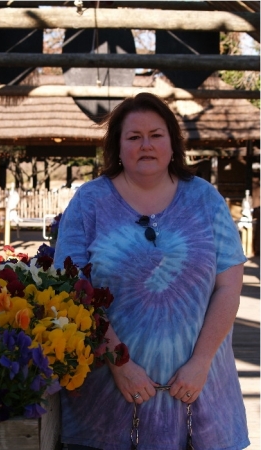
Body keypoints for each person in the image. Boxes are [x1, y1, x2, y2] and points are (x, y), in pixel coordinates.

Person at [54, 93, 249, 450]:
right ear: (117, 147)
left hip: (201, 392)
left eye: (156, 135)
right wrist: (120, 363)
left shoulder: (205, 199)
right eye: (134, 137)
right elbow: (71, 288)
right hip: (108, 402)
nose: (146, 145)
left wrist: (201, 362)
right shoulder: (90, 202)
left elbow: (229, 286)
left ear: (173, 144)